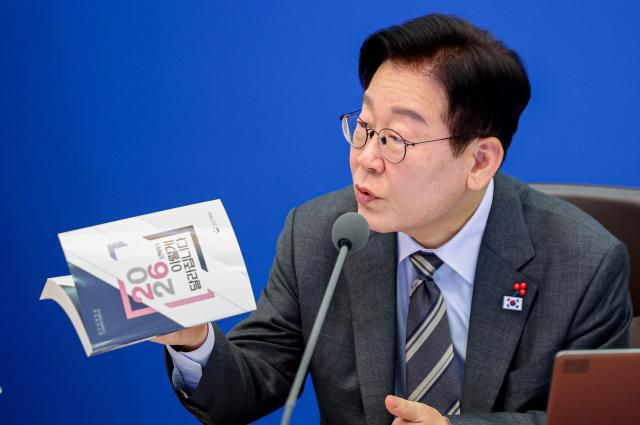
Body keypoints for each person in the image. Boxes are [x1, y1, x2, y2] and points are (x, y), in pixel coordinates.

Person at [153, 13, 632, 425]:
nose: (365, 159)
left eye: (395, 139)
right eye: (364, 127)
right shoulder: (320, 234)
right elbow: (254, 381)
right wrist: (193, 341)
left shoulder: (583, 264)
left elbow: (596, 419)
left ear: (480, 160)